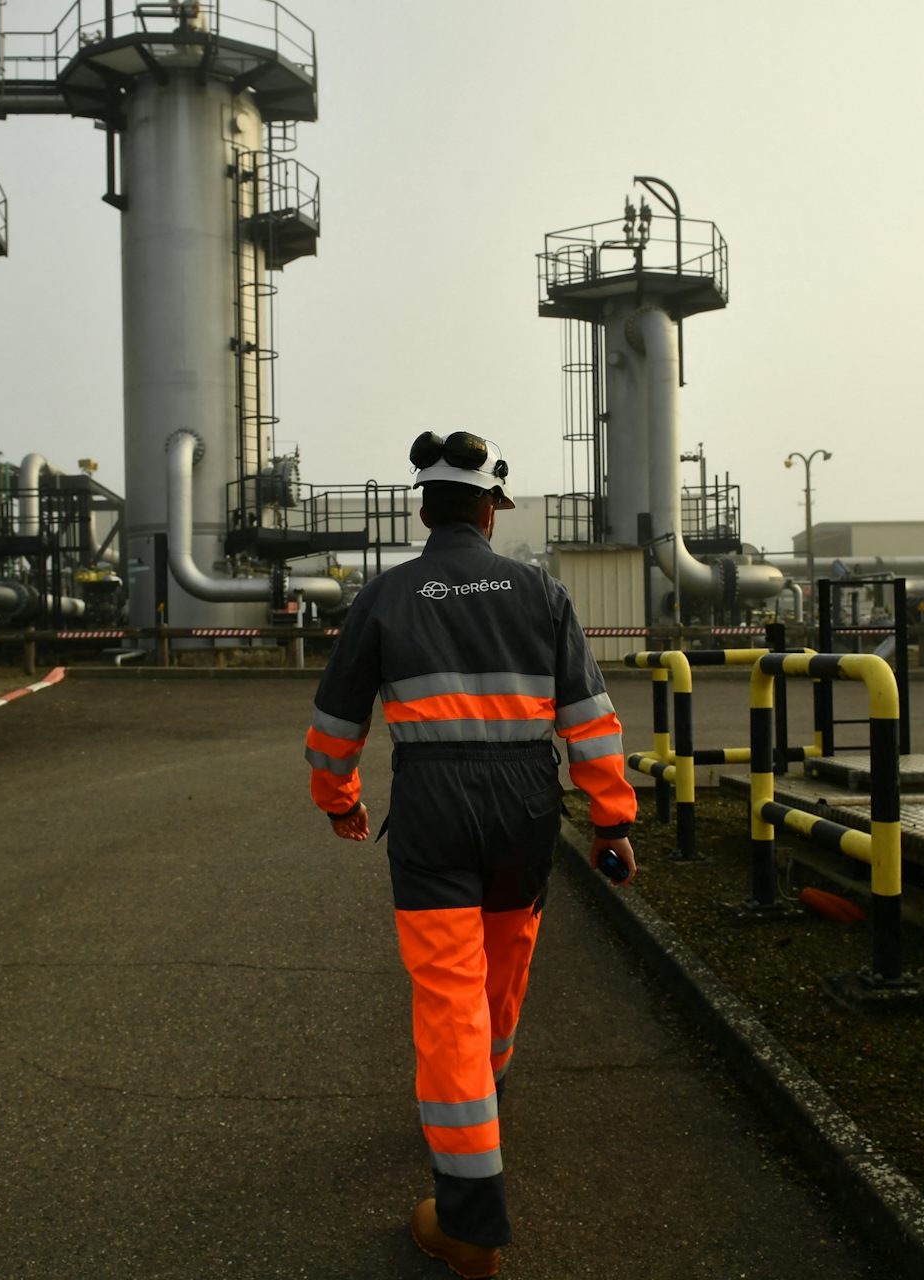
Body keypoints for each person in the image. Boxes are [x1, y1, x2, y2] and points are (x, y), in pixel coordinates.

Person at [303, 430, 638, 1278]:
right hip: (525, 807)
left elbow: (336, 725)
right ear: (491, 511)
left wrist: (340, 801)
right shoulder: (542, 593)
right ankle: (484, 1098)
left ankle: (470, 1224)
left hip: (433, 809)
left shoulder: (386, 596)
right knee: (503, 968)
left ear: (425, 511)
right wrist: (612, 823)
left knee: (449, 997)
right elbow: (590, 719)